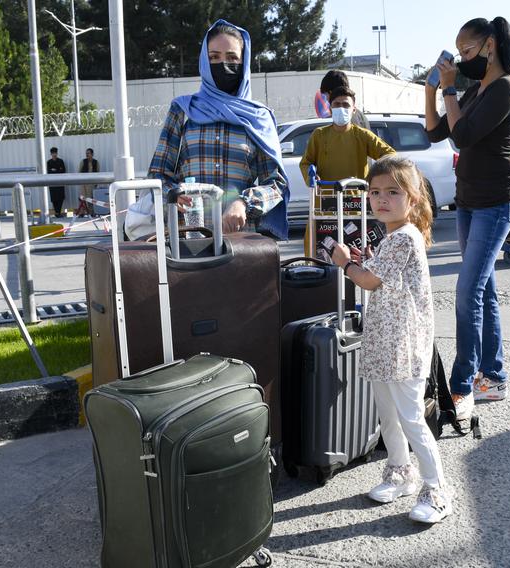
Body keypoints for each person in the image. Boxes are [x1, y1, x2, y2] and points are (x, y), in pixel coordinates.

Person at [329, 155, 451, 524]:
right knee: (388, 415)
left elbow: (368, 281)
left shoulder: (403, 237)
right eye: (375, 191)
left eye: (392, 192)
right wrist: (366, 259)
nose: (381, 199)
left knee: (411, 418)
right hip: (386, 342)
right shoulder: (393, 238)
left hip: (402, 346)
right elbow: (382, 274)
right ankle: (401, 472)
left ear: (412, 199)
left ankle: (438, 490)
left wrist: (344, 262)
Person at [424, 17, 510, 418]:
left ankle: (462, 385)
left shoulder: (506, 88)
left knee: (467, 294)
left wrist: (450, 87)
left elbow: (463, 137)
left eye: (466, 52)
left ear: (489, 46)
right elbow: (436, 131)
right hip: (469, 201)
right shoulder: (476, 90)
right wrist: (432, 88)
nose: (462, 60)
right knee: (483, 292)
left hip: (497, 202)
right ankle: (495, 377)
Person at [129, 19, 289, 240]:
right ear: (205, 61)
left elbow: (276, 184)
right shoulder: (183, 110)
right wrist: (173, 195)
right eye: (214, 57)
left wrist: (244, 203)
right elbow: (158, 175)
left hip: (240, 243)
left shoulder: (259, 117)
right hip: (186, 238)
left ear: (244, 62)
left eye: (232, 57)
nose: (223, 64)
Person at [299, 85, 395, 258]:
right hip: (325, 203)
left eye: (345, 105)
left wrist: (373, 182)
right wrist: (311, 177)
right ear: (329, 107)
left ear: (354, 109)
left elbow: (390, 156)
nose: (341, 108)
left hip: (355, 205)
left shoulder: (363, 135)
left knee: (356, 256)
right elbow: (306, 163)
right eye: (336, 104)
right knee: (319, 253)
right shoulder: (319, 135)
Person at [77, 148, 99, 217]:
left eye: (88, 153)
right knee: (82, 198)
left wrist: (96, 183)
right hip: (83, 182)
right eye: (86, 153)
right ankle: (81, 212)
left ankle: (91, 212)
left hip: (91, 183)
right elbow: (79, 172)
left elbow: (98, 173)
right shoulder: (83, 161)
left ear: (92, 154)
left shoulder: (96, 162)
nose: (87, 154)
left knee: (90, 198)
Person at [46, 147, 67, 218]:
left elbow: (63, 171)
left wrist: (55, 170)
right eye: (53, 153)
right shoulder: (49, 162)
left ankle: (58, 212)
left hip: (60, 182)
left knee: (61, 197)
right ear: (51, 154)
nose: (54, 154)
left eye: (55, 153)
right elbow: (49, 172)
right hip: (52, 183)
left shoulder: (61, 161)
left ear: (57, 153)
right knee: (54, 198)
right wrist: (57, 170)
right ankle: (57, 212)